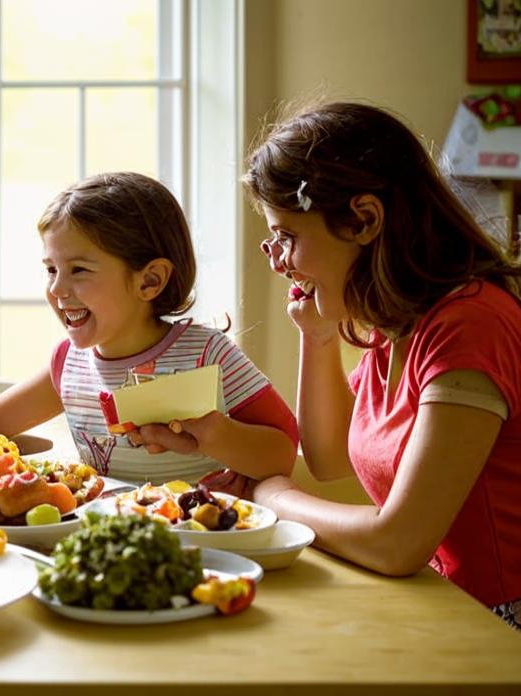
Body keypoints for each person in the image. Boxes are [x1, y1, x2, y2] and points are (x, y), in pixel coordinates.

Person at [221, 101, 521, 630]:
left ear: (363, 219)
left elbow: (396, 542)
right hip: (442, 603)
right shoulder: (399, 328)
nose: (276, 259)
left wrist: (275, 498)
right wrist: (315, 337)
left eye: (287, 236)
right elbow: (329, 457)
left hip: (498, 623)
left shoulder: (470, 325)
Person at [0, 172, 298, 484]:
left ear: (149, 280)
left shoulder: (205, 353)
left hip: (205, 541)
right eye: (51, 270)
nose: (58, 289)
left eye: (80, 271)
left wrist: (213, 435)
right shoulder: (69, 364)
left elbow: (282, 451)